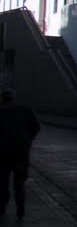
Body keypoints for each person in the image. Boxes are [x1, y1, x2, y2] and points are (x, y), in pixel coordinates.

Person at [0, 88, 40, 219]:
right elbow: (36, 127)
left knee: (2, 181)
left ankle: (2, 206)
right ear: (14, 98)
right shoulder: (26, 110)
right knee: (19, 182)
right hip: (21, 151)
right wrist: (28, 140)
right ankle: (20, 208)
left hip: (3, 152)